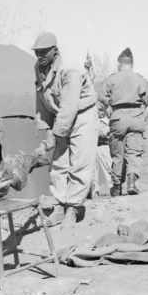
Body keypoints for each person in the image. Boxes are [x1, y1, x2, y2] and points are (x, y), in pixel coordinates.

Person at [32, 32, 98, 227]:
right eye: (37, 52)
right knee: (59, 161)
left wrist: (57, 133)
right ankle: (59, 206)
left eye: (44, 52)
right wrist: (46, 129)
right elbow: (42, 99)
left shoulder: (70, 70)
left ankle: (73, 208)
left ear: (55, 50)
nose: (40, 56)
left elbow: (70, 106)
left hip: (82, 114)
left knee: (79, 161)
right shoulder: (39, 66)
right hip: (60, 114)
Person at [103, 47, 148, 196]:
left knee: (118, 154)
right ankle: (131, 183)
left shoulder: (111, 79)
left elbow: (102, 102)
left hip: (117, 117)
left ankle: (117, 187)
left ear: (119, 64)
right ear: (132, 64)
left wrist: (111, 117)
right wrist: (142, 116)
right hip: (136, 117)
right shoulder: (140, 79)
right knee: (134, 152)